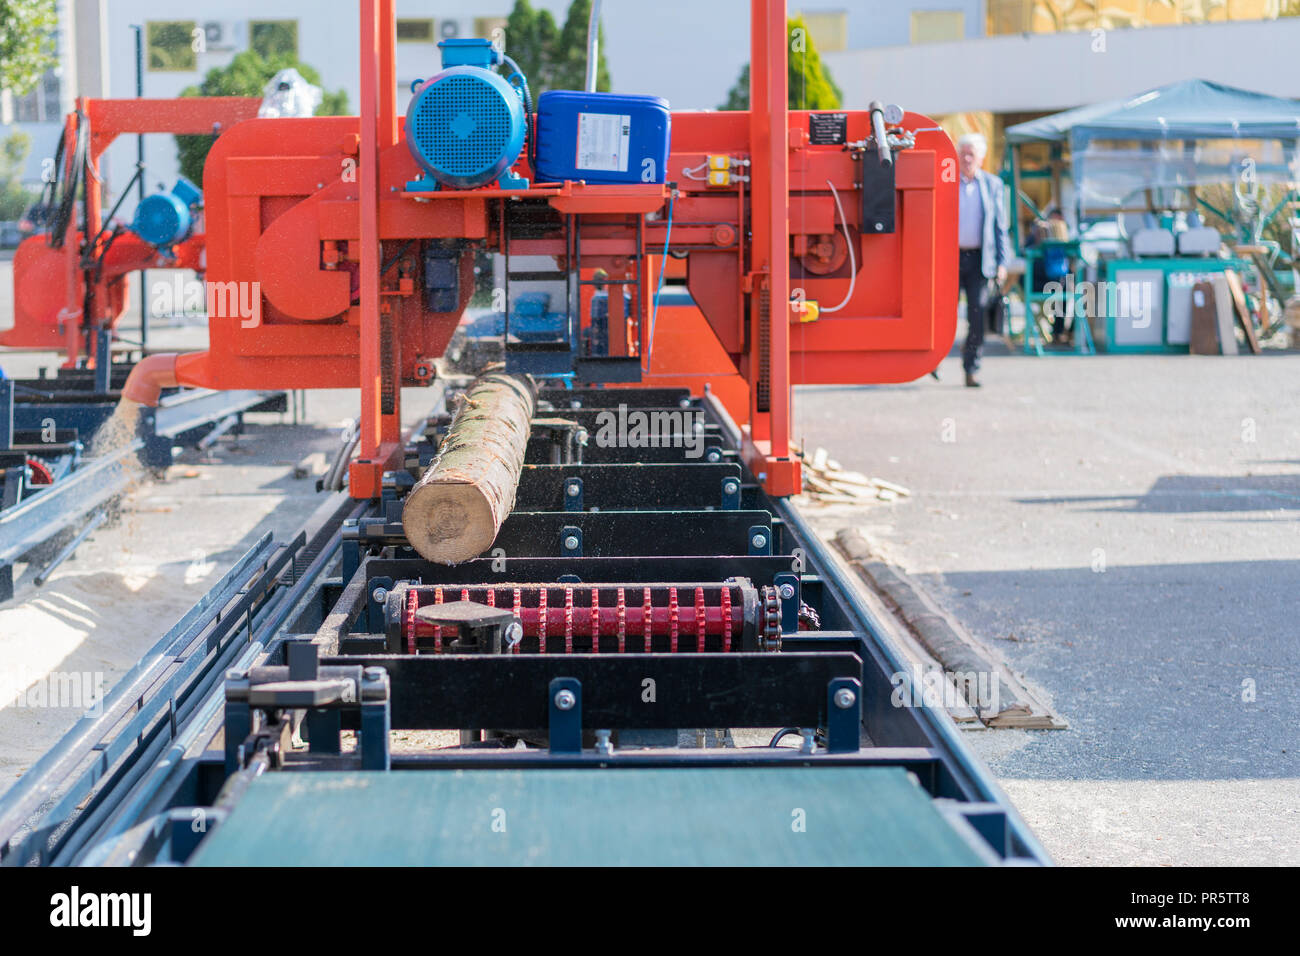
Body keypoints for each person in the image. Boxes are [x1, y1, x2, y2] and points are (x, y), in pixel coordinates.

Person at [955, 133, 1011, 387]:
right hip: (950, 257)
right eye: (963, 153)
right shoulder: (947, 181)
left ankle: (971, 367)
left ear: (981, 157)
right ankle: (932, 360)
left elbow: (1001, 226)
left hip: (980, 259)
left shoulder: (992, 185)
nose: (966, 158)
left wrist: (1002, 262)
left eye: (971, 154)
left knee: (976, 315)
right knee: (942, 312)